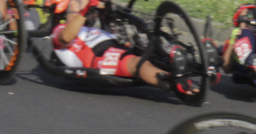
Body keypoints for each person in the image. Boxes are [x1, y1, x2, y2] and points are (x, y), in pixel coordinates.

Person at [49, 0, 199, 97]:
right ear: (65, 13)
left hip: (116, 45)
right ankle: (176, 82)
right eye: (76, 6)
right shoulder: (60, 29)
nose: (80, 5)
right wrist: (85, 11)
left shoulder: (92, 27)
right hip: (98, 56)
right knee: (137, 63)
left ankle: (195, 62)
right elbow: (65, 39)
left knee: (152, 49)